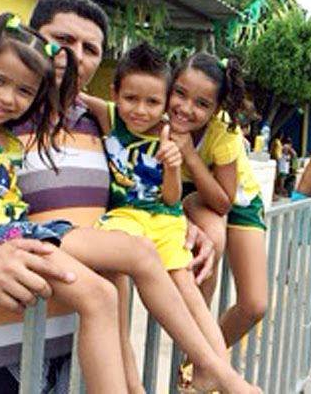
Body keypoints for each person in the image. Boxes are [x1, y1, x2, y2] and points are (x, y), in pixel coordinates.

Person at [0, 0, 244, 394]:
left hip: (78, 354)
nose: (74, 55)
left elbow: (126, 208)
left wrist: (184, 220)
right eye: (63, 40)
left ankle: (207, 365)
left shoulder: (104, 127)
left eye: (90, 48)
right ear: (33, 40)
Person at [0, 12, 132, 392]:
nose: (6, 98)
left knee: (133, 257)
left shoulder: (5, 138)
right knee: (98, 295)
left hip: (14, 241)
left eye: (24, 91)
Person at [79, 43, 250, 378]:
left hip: (165, 217)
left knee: (187, 287)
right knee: (118, 280)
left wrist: (174, 164)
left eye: (152, 102)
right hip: (125, 216)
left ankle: (218, 369)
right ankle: (131, 378)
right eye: (131, 99)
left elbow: (172, 199)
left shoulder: (171, 134)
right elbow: (73, 96)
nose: (140, 111)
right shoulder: (110, 115)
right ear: (115, 93)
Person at [167, 53, 268, 349]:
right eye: (180, 94)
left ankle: (199, 360)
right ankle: (198, 341)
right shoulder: (153, 113)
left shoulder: (225, 130)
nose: (186, 109)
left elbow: (224, 202)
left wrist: (188, 152)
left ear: (216, 109)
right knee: (213, 237)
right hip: (188, 193)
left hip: (238, 200)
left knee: (255, 305)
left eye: (201, 103)